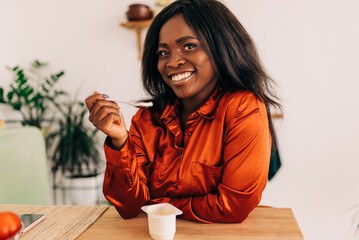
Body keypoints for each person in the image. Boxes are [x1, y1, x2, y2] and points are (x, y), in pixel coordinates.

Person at [85, 0, 281, 223]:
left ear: (221, 48)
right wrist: (119, 140)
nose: (172, 62)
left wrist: (158, 205)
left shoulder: (243, 108)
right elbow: (129, 208)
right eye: (163, 52)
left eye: (189, 46)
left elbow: (233, 206)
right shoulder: (147, 118)